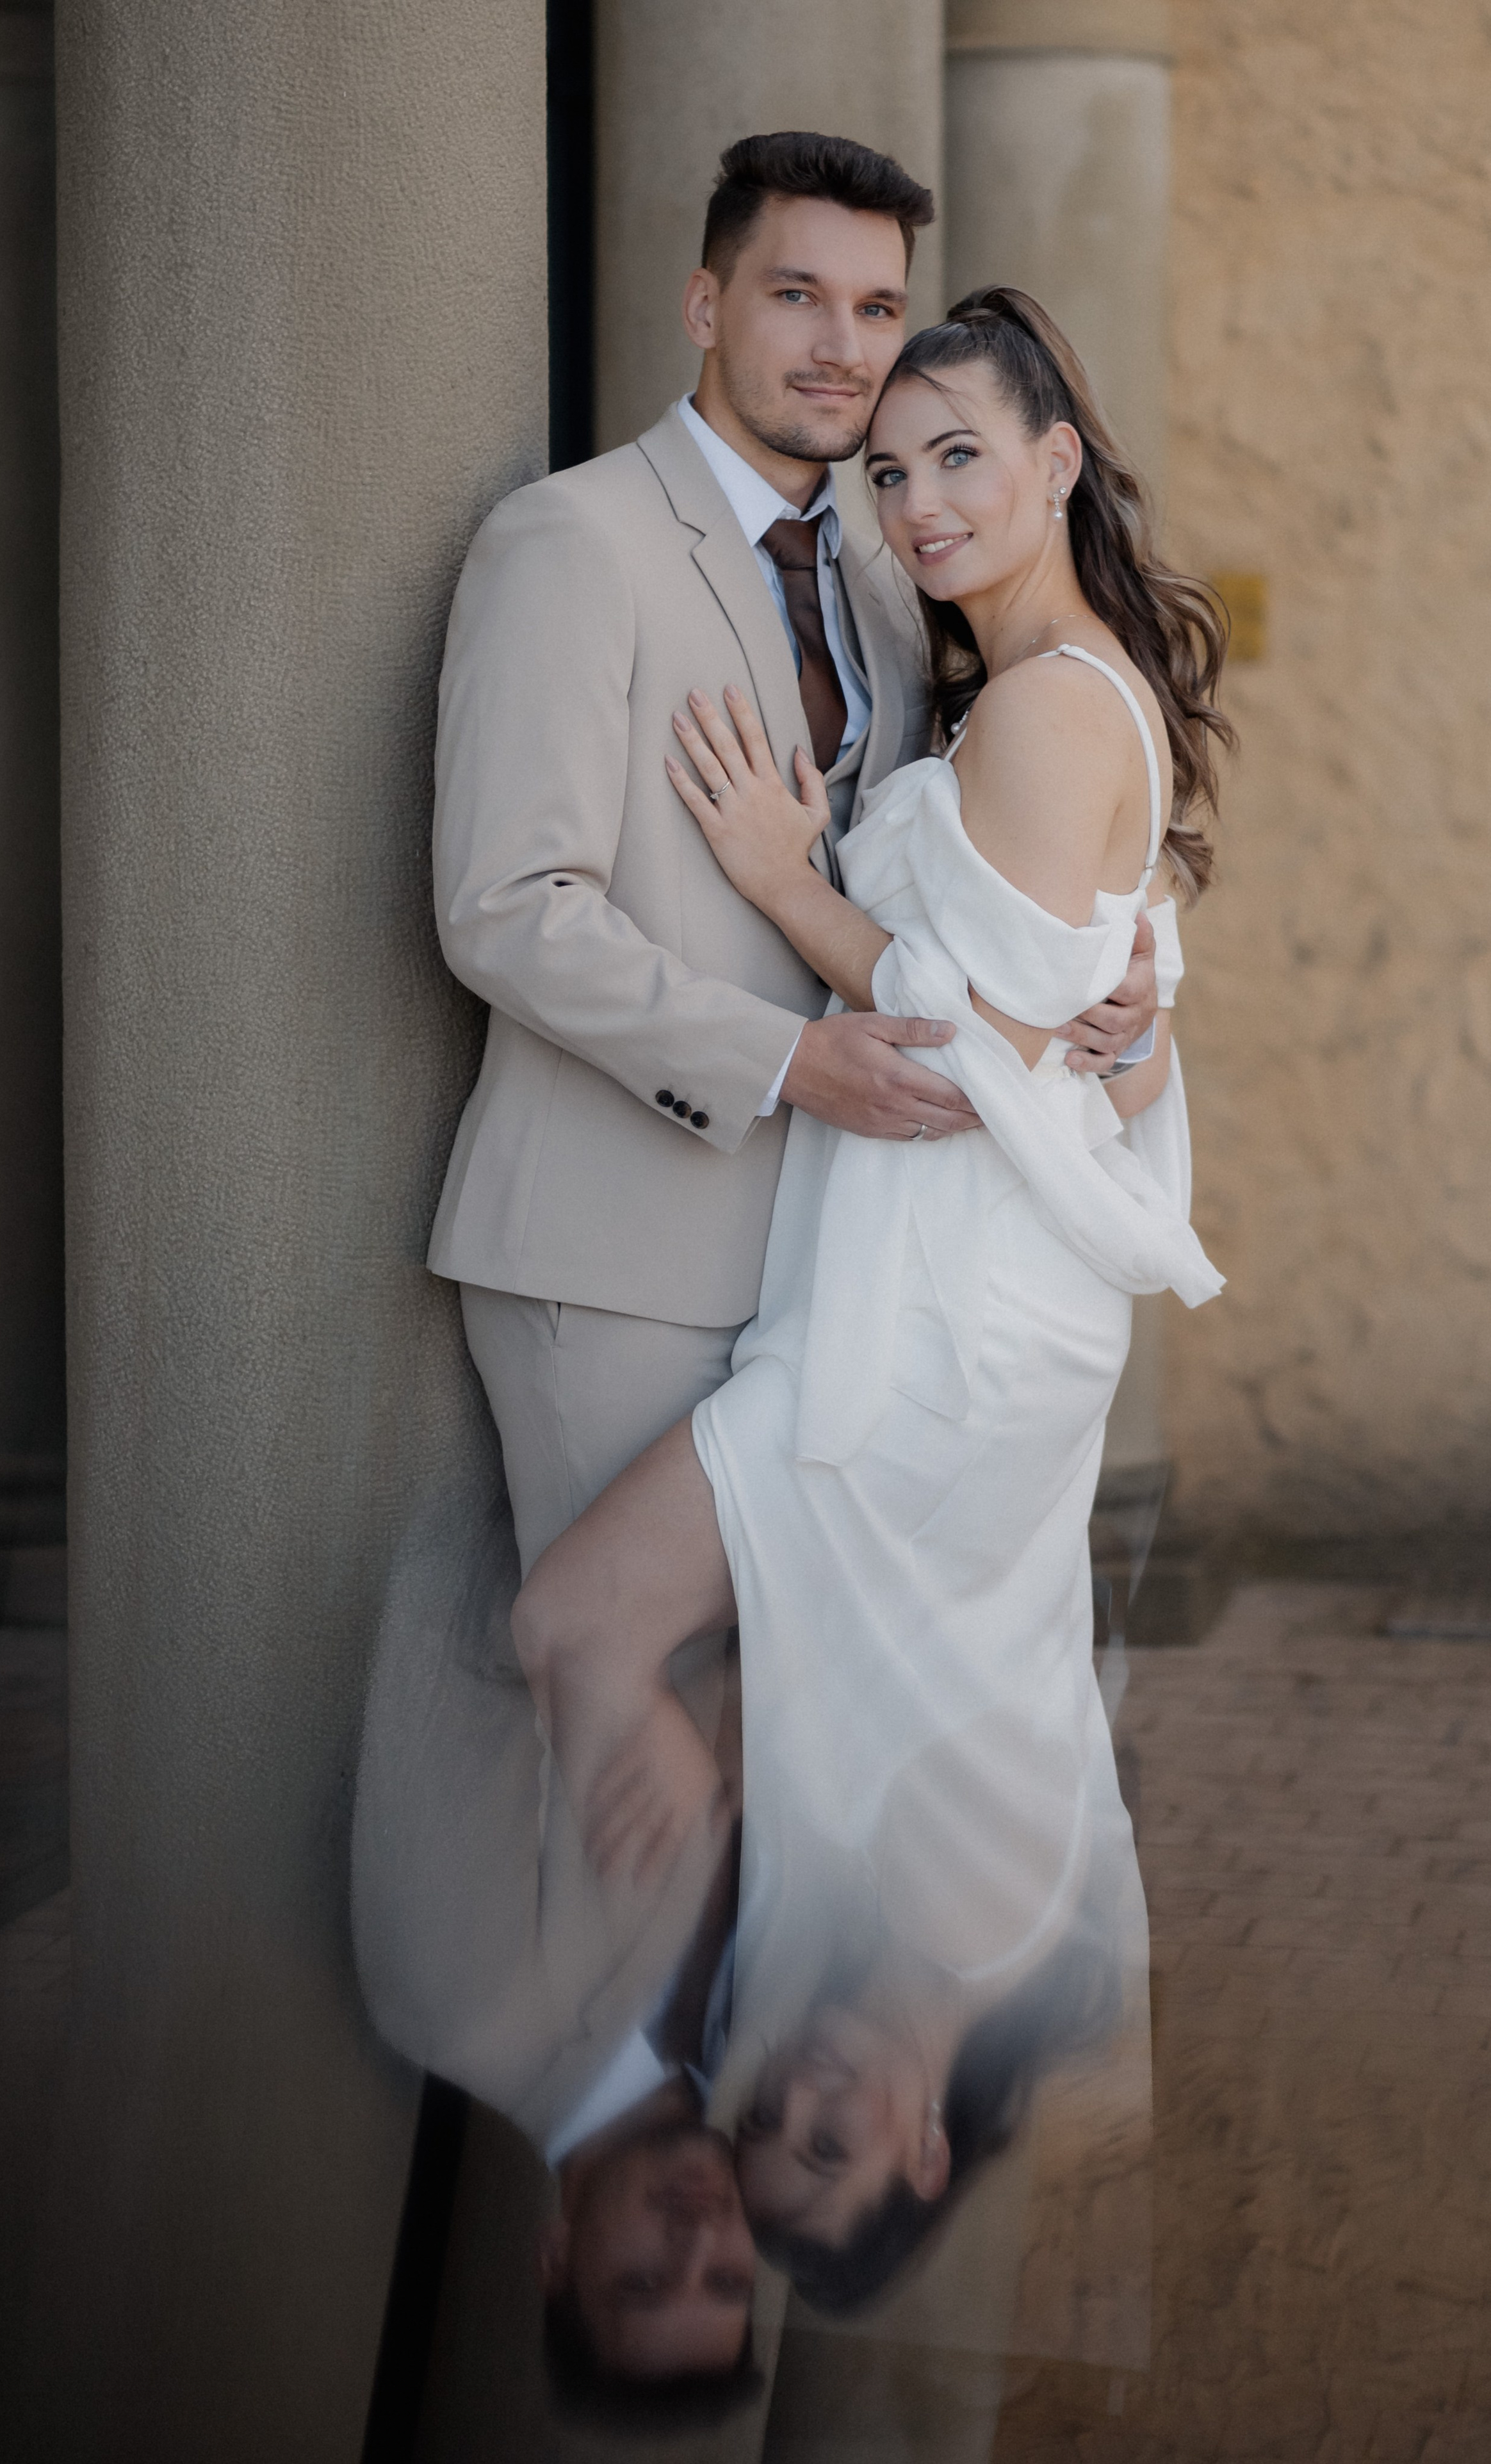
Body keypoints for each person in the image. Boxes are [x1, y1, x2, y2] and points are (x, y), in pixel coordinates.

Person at [509, 283, 1228, 2323]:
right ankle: (688, 1790)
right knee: (645, 1641)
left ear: (1059, 463)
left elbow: (967, 1042)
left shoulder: (1050, 703)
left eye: (960, 459)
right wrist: (1114, 1019)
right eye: (893, 472)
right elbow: (1057, 1023)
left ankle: (677, 1795)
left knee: (595, 1627)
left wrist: (775, 872)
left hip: (940, 1328)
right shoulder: (1035, 695)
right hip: (930, 1304)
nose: (917, 507)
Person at [427, 132, 1159, 1590]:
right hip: (617, 1249)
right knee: (600, 1678)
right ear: (705, 307)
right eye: (796, 296)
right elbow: (506, 909)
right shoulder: (569, 540)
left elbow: (956, 889)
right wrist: (784, 1064)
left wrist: (1111, 988)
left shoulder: (897, 576)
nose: (842, 347)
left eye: (876, 308)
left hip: (836, 1259)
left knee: (767, 1705)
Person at [350, 1488, 763, 2424]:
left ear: (556, 2256)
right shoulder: (757, 2045)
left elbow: (451, 1598)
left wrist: (616, 1680)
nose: (699, 2239)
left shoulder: (461, 2003)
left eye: (646, 2280)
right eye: (728, 2279)